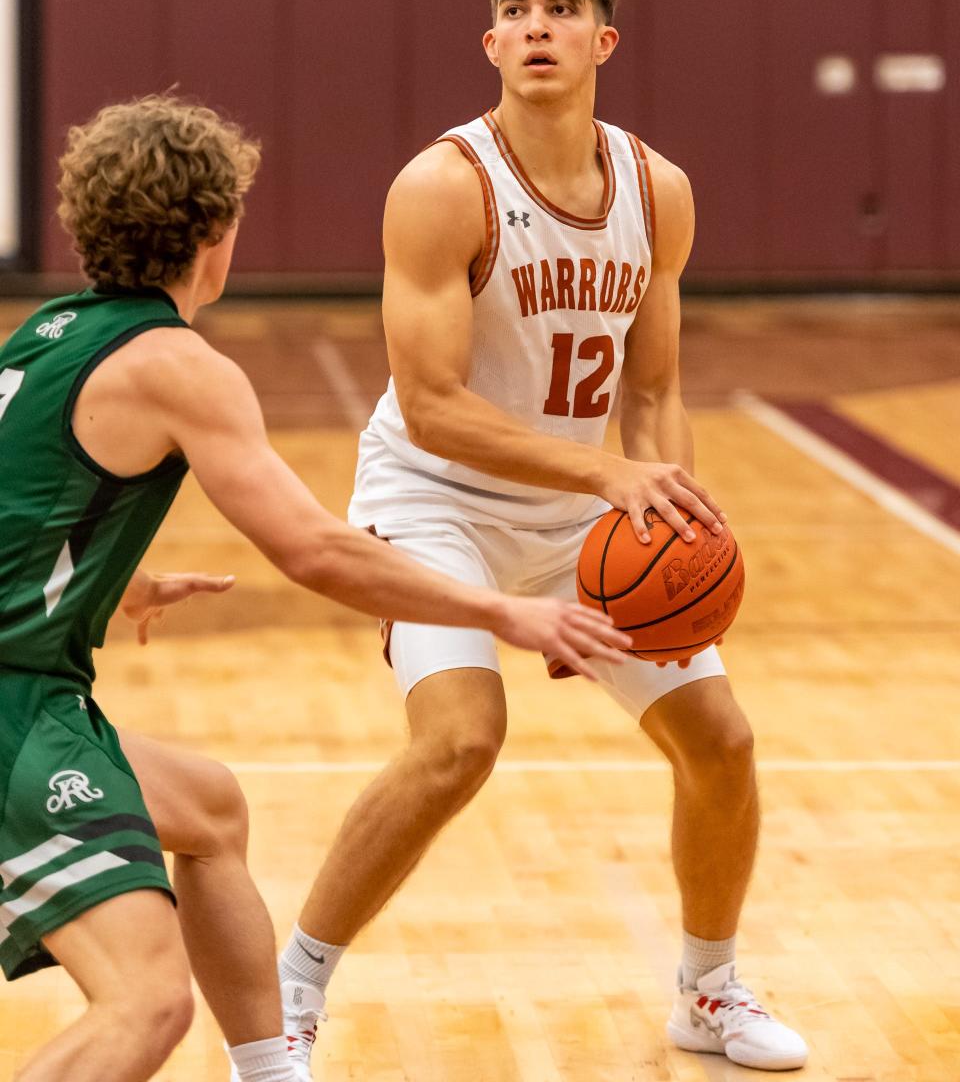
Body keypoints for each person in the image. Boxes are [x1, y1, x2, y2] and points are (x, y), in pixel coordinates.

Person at [0, 94, 629, 1082]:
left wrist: (114, 583)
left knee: (209, 813)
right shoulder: (177, 365)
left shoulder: (45, 335)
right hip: (14, 707)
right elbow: (316, 551)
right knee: (146, 1003)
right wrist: (502, 609)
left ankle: (270, 1069)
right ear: (217, 231)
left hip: (33, 693)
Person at [276, 0, 809, 1074]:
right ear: (490, 41)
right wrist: (608, 474)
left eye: (561, 10)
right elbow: (428, 405)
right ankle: (292, 988)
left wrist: (672, 516)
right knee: (462, 741)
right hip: (438, 503)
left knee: (722, 742)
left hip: (581, 515)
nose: (536, 28)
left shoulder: (657, 189)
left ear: (603, 38)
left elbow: (656, 390)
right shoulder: (441, 184)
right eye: (515, 11)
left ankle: (706, 992)